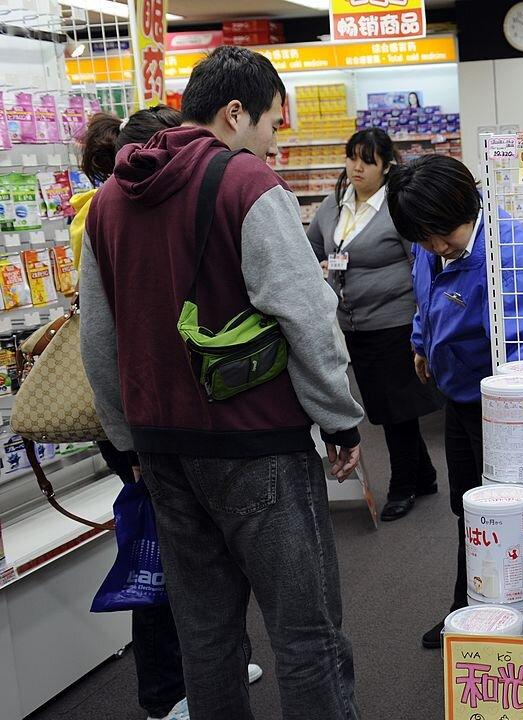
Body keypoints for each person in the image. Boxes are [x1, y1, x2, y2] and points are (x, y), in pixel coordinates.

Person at [79, 46, 364, 720]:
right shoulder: (246, 185)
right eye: (271, 125)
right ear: (235, 113)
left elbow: (99, 340)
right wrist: (340, 419)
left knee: (205, 637)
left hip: (161, 450)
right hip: (257, 443)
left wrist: (124, 440)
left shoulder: (108, 202)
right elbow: (309, 316)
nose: (273, 142)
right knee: (306, 633)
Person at [77, 106, 266, 720]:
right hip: (147, 413)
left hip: (145, 410)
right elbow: (102, 335)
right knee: (161, 557)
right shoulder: (110, 209)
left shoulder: (120, 203)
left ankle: (210, 675)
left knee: (188, 555)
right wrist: (125, 441)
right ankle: (166, 694)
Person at [387, 155, 523, 649]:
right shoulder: (431, 241)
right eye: (425, 240)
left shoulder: (511, 251)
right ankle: (468, 609)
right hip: (458, 397)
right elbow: (425, 298)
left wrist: (522, 420)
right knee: (470, 507)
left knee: (510, 512)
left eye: (445, 236)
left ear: (469, 206)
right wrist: (421, 343)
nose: (438, 247)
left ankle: (520, 619)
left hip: (506, 410)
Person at [307, 128, 440, 521]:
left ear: (385, 166)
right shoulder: (335, 205)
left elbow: (421, 265)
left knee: (396, 409)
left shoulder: (395, 208)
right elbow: (312, 247)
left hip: (394, 322)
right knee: (386, 407)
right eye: (352, 158)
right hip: (353, 325)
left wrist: (423, 320)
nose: (357, 167)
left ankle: (403, 487)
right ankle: (426, 475)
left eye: (367, 160)